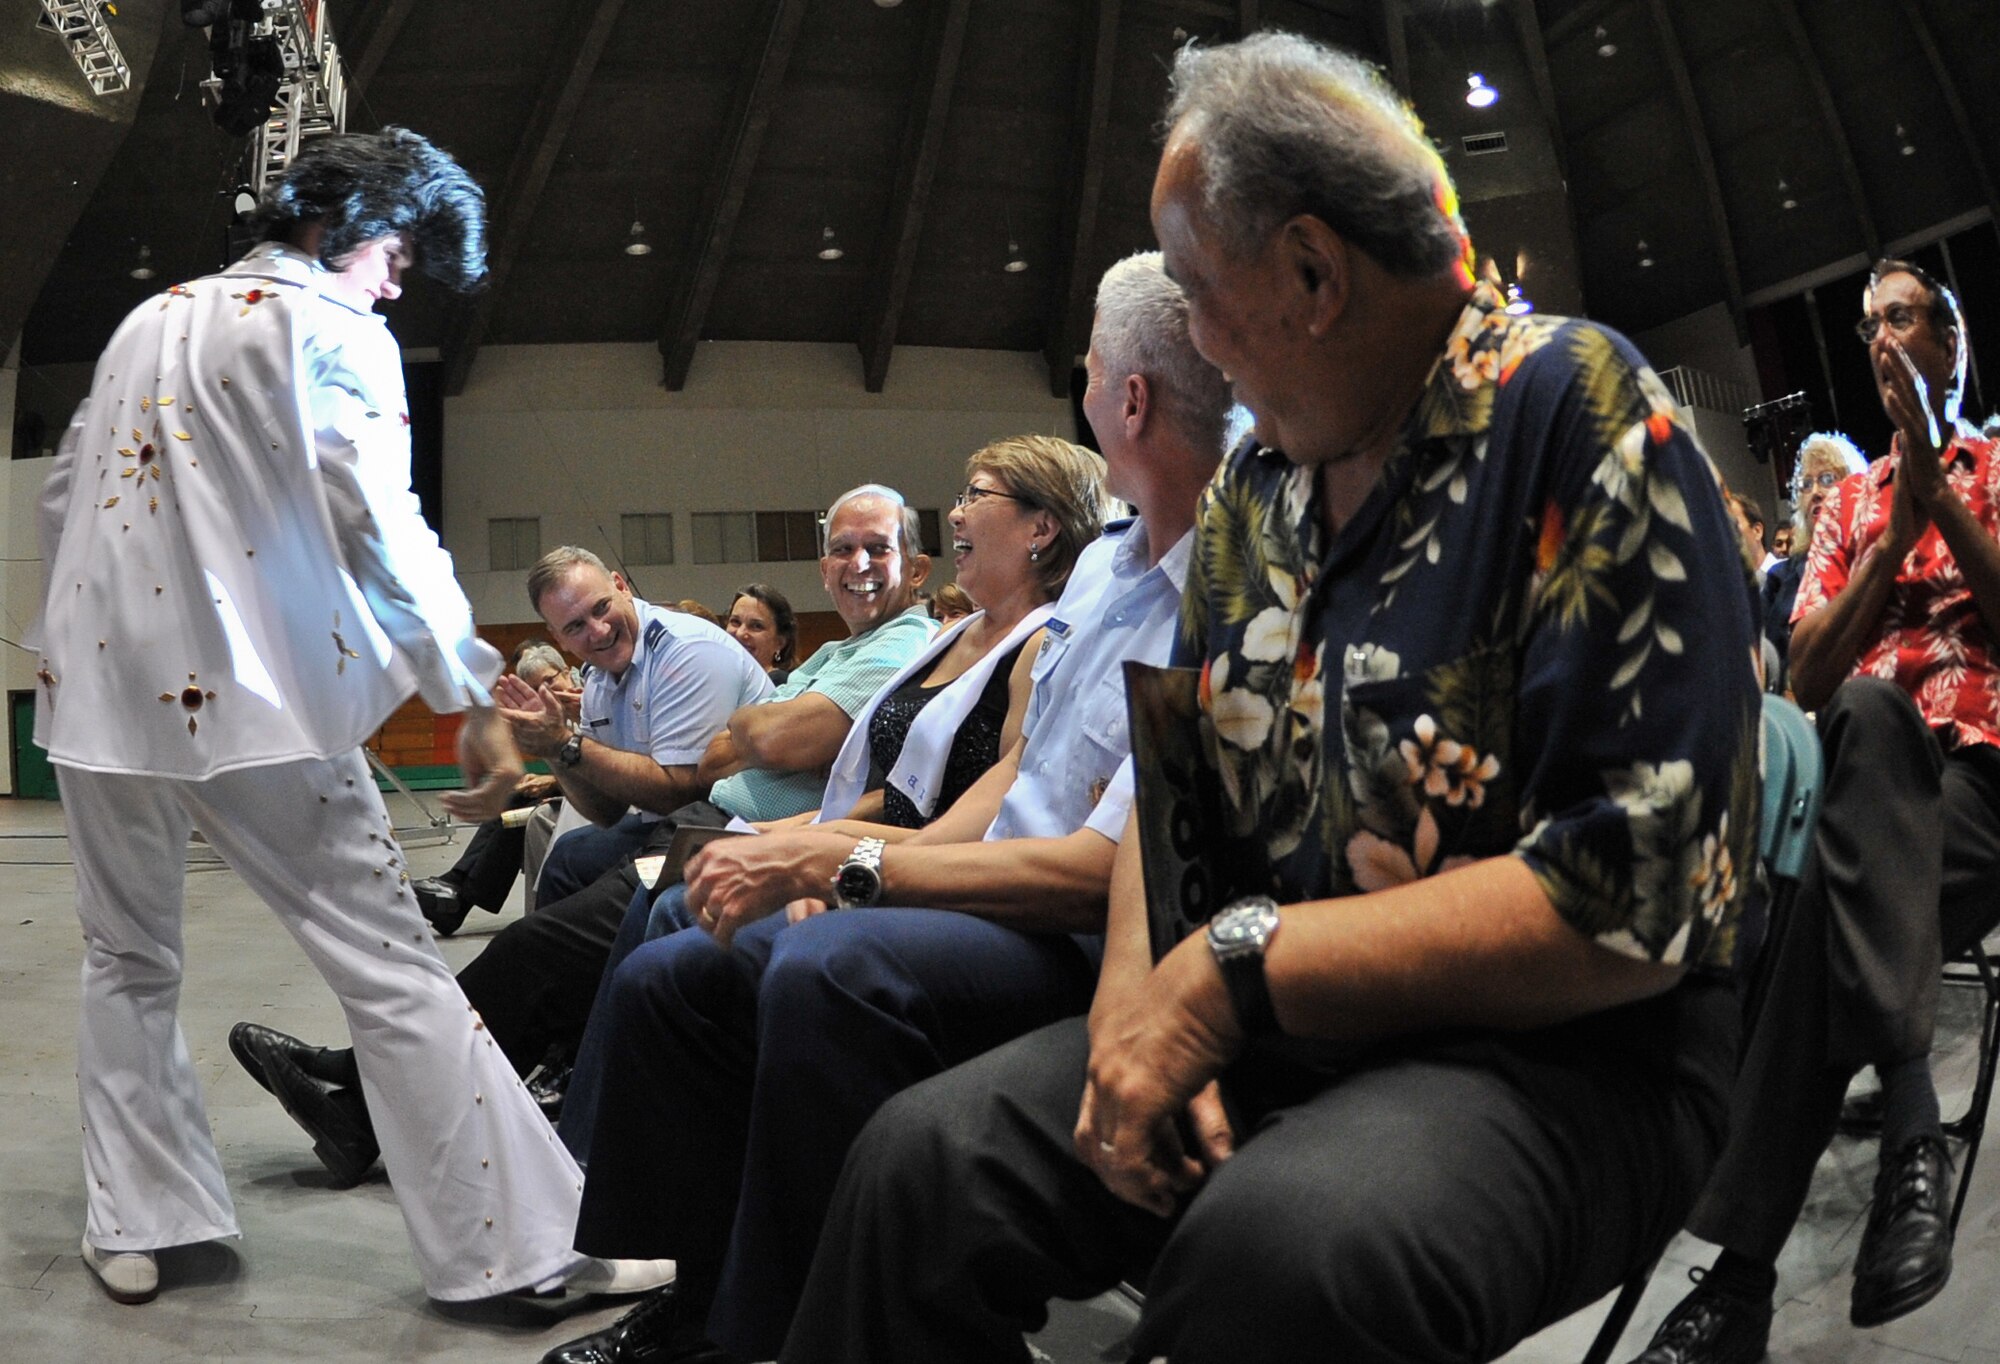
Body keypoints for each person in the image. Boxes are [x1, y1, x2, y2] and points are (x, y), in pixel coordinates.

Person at [778, 34, 1761, 1364]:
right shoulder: (1259, 487)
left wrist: (1231, 980)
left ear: (1311, 273)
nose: (1188, 334)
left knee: (1290, 1252)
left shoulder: (1575, 408)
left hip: (1563, 1053)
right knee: (919, 1168)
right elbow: (1174, 779)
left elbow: (1626, 902)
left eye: (1197, 287)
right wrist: (1136, 1001)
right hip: (1274, 1008)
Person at [538, 250, 1230, 1364]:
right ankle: (703, 1297)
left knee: (825, 969)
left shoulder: (1216, 585)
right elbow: (1015, 779)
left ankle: (782, 1330)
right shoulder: (1105, 570)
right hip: (984, 885)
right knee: (677, 972)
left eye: (1091, 365)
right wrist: (850, 862)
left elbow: (1103, 862)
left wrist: (854, 874)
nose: (1083, 380)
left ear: (1129, 398)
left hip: (1076, 932)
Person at [30, 127, 668, 1307]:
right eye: (397, 252)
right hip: (248, 699)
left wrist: (88, 630)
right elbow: (377, 517)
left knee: (126, 958)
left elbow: (67, 494)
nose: (397, 279)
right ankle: (517, 1252)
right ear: (340, 227)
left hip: (99, 691)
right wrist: (464, 687)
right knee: (391, 966)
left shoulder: (146, 318)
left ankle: (143, 1221)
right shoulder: (334, 329)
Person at [238, 486, 938, 1181]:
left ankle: (368, 1103)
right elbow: (647, 789)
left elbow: (704, 767)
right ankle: (473, 1070)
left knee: (532, 947)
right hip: (710, 820)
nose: (596, 632)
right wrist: (559, 747)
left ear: (916, 567)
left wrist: (580, 748)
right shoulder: (834, 655)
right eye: (842, 549)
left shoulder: (839, 648)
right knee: (572, 858)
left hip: (737, 830)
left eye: (877, 548)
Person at [1630, 259, 2000, 1363]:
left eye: (1899, 318)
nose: (1879, 337)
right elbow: (1802, 675)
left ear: (1949, 339)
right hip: (1864, 765)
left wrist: (1938, 495)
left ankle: (1735, 1284)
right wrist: (1895, 534)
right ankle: (1908, 1126)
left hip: (1981, 781)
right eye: (1864, 322)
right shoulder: (1845, 502)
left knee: (1805, 928)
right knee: (1871, 713)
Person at [411, 639, 581, 936]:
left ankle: (456, 895)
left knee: (521, 807)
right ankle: (455, 891)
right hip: (574, 788)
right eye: (537, 689)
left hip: (593, 796)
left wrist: (551, 782)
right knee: (515, 795)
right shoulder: (554, 707)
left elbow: (595, 763)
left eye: (550, 681)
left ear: (566, 670)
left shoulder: (589, 695)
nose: (547, 692)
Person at [1760, 431, 1866, 690]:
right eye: (1806, 484)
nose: (1815, 492)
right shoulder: (1779, 578)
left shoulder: (1875, 559)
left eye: (1827, 479)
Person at [722, 582, 795, 680]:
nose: (740, 633)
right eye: (735, 622)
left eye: (756, 626)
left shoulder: (779, 685)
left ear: (779, 643)